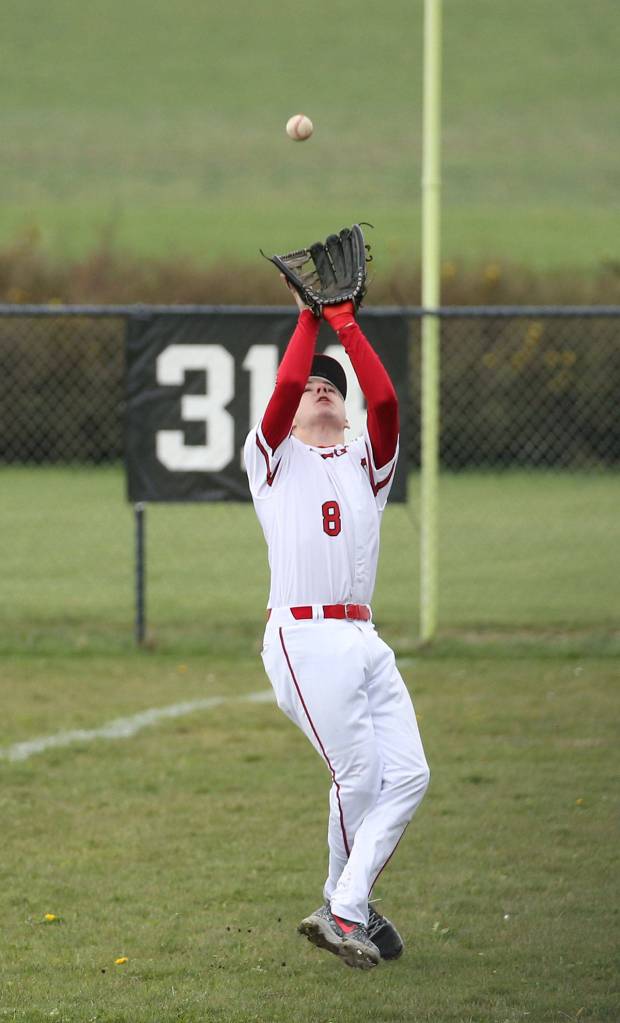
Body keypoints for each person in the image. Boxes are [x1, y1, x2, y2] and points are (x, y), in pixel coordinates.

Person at [243, 282, 430, 970]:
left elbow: (385, 401)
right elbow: (290, 377)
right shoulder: (273, 463)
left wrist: (346, 325)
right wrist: (307, 321)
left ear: (345, 416)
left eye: (332, 387)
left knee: (408, 772)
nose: (320, 388)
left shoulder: (365, 465)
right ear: (288, 420)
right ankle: (346, 905)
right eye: (310, 390)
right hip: (302, 636)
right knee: (358, 775)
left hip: (363, 637)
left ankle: (343, 899)